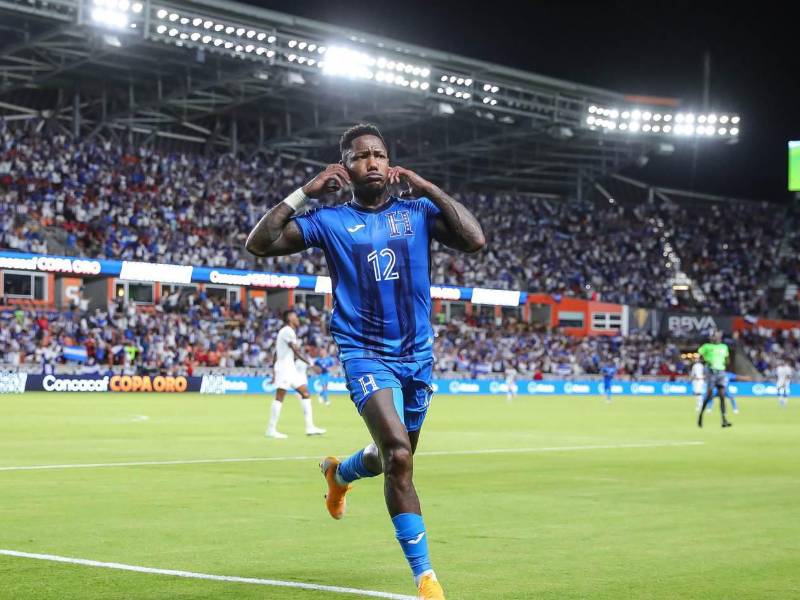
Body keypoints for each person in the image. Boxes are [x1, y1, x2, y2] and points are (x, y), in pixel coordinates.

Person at [245, 122, 485, 599]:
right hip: (364, 352)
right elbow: (260, 243)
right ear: (345, 167)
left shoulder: (416, 212)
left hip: (416, 356)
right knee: (399, 454)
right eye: (360, 156)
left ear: (390, 164)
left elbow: (474, 239)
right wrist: (303, 192)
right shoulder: (328, 220)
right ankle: (426, 578)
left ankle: (340, 473)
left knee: (392, 457)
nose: (371, 161)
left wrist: (431, 189)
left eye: (379, 154)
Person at [266, 310, 326, 439]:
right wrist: (311, 364)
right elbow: (295, 350)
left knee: (305, 393)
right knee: (279, 397)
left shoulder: (288, 331)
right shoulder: (288, 330)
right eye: (294, 316)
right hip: (284, 369)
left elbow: (277, 352)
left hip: (289, 368)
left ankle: (310, 427)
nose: (297, 318)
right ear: (289, 319)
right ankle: (271, 429)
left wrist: (273, 371)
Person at [697, 331, 732, 428]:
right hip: (711, 372)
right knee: (709, 395)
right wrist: (706, 362)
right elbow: (699, 357)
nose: (717, 338)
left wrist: (724, 365)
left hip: (721, 373)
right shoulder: (706, 346)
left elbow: (727, 359)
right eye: (715, 336)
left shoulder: (724, 347)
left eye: (718, 336)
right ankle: (700, 416)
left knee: (722, 396)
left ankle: (724, 420)